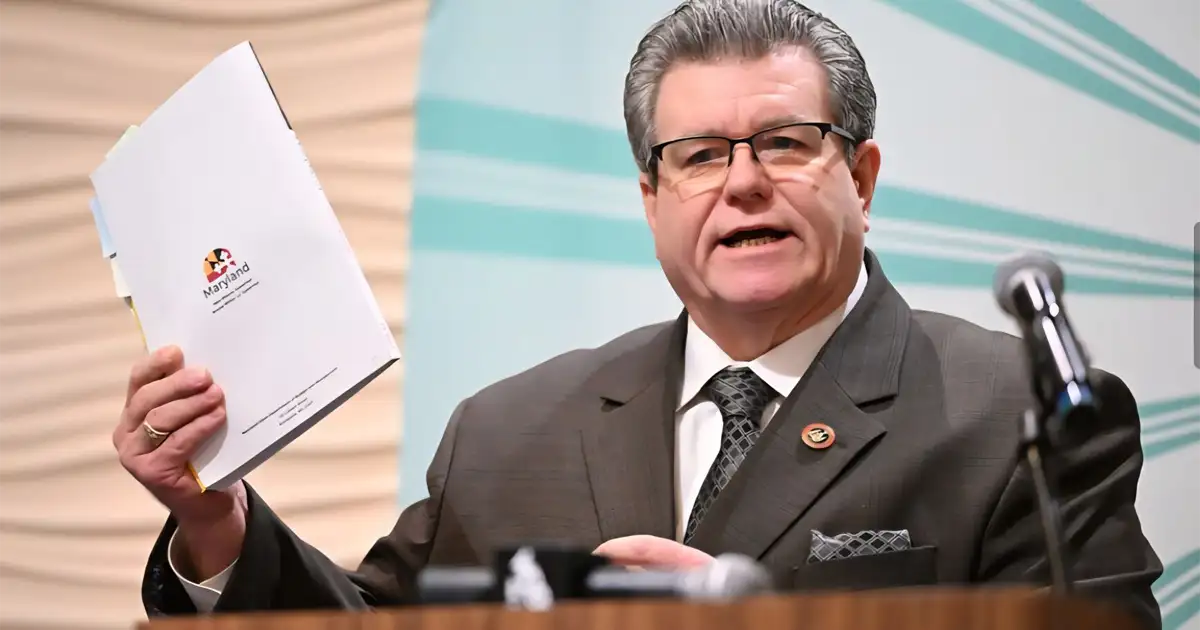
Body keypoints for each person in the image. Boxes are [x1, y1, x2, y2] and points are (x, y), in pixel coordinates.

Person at [114, 1, 1163, 627]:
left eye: (786, 143)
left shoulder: (1013, 415)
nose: (742, 183)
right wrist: (216, 519)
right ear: (652, 199)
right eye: (698, 156)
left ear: (862, 177)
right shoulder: (507, 432)